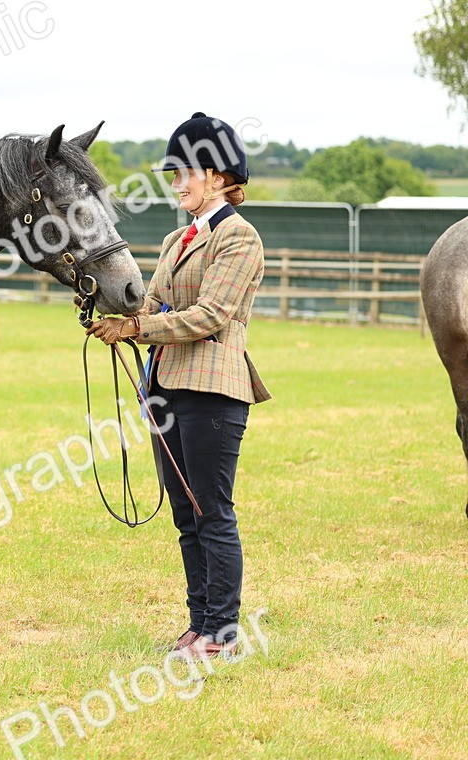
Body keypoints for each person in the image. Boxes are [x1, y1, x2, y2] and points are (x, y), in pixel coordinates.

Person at [86, 112, 271, 657]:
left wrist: (138, 326)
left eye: (186, 172)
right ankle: (199, 623)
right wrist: (109, 308)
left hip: (213, 388)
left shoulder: (239, 237)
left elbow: (210, 314)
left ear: (217, 176)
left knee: (212, 509)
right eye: (175, 174)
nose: (178, 183)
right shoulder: (176, 238)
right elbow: (156, 303)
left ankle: (224, 630)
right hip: (165, 385)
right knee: (185, 512)